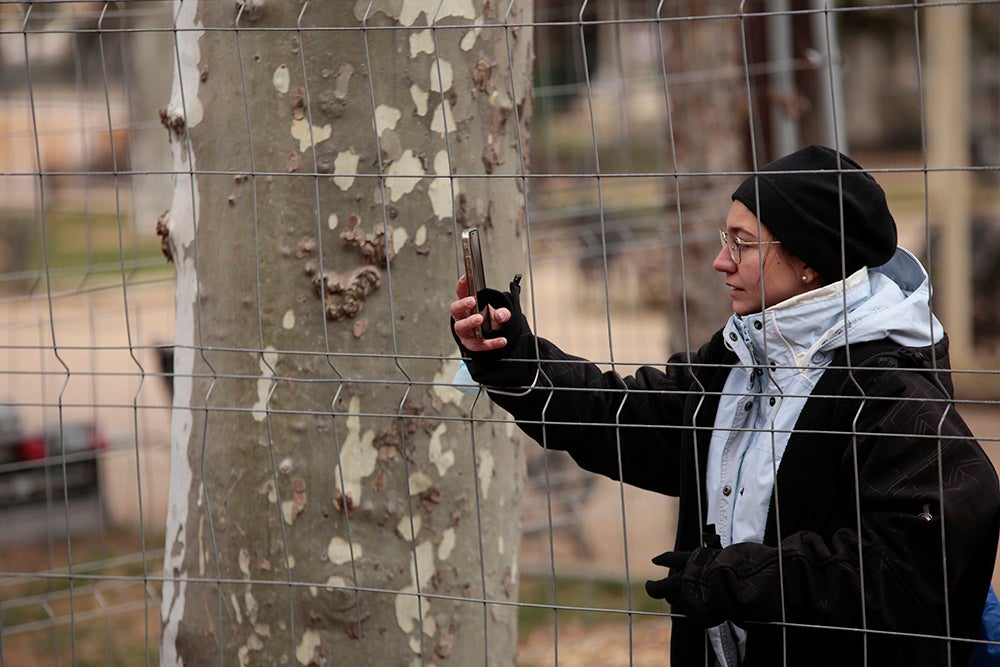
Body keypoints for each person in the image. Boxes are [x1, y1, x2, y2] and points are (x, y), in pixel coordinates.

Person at [449, 145, 1000, 666]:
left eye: (742, 242)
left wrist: (736, 579)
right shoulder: (745, 351)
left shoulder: (890, 394)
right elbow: (636, 419)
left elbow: (908, 574)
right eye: (724, 237)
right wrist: (516, 359)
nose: (720, 260)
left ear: (809, 259)